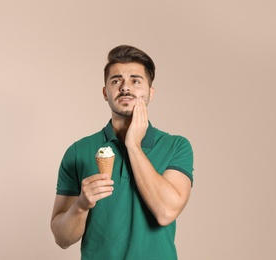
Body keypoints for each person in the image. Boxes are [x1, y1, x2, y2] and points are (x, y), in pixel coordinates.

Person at [51, 45, 194, 260]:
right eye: (116, 80)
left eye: (136, 80)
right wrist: (81, 205)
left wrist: (133, 146)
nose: (125, 87)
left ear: (150, 93)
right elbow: (62, 239)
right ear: (105, 92)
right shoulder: (78, 151)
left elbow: (166, 212)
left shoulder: (176, 146)